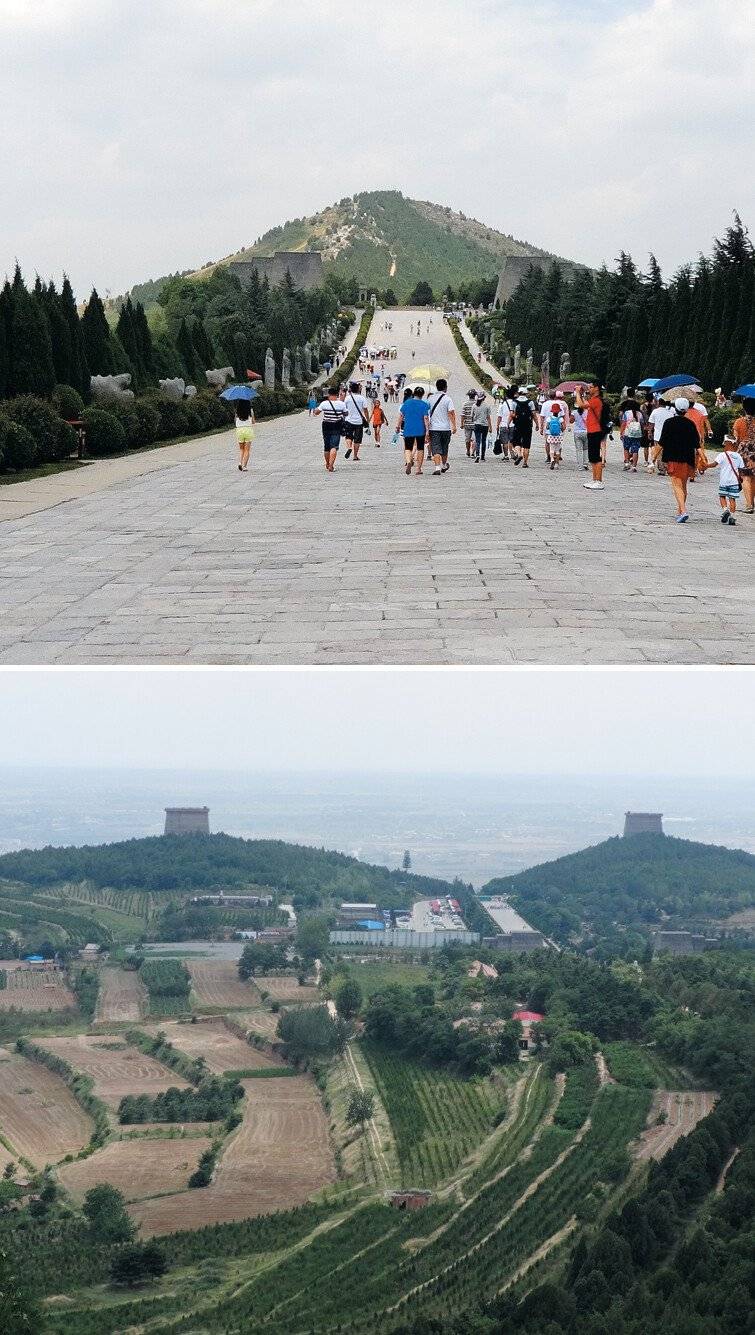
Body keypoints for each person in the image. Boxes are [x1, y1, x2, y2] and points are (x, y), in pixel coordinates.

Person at [659, 397, 699, 522]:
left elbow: (662, 442)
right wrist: (703, 459)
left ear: (675, 408)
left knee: (676, 485)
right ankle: (679, 510)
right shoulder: (691, 424)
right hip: (688, 459)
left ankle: (683, 510)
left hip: (673, 458)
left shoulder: (669, 422)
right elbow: (697, 444)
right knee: (683, 485)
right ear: (686, 410)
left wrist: (653, 457)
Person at [699, 434, 745, 524]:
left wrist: (706, 466)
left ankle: (725, 510)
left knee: (722, 496)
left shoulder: (722, 455)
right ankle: (732, 516)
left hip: (724, 481)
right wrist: (741, 478)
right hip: (734, 482)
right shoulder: (738, 456)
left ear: (727, 444)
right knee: (732, 499)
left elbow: (714, 464)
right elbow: (741, 469)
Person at [576, 381, 608, 489]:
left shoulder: (596, 401)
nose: (589, 389)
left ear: (597, 388)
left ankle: (599, 481)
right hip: (591, 430)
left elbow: (580, 405)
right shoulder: (593, 400)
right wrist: (580, 394)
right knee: (592, 457)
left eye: (591, 387)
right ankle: (594, 479)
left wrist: (576, 392)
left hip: (596, 430)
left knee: (596, 457)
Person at [427, 378, 457, 475]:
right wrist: (454, 426)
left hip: (433, 428)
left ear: (436, 387)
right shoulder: (448, 399)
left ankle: (437, 467)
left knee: (435, 447)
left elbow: (426, 415)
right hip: (445, 428)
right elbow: (451, 412)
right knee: (444, 447)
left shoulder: (430, 399)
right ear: (445, 388)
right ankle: (444, 465)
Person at [313, 387, 348, 472]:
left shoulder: (324, 403)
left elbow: (316, 412)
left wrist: (315, 409)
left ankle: (328, 463)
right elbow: (346, 414)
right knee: (334, 446)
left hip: (326, 425)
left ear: (328, 394)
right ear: (337, 394)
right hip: (337, 425)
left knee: (327, 446)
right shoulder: (341, 404)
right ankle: (331, 466)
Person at [731, 397, 755, 513]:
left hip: (743, 451)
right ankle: (752, 502)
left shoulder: (738, 422)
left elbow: (735, 440)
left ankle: (749, 505)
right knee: (753, 478)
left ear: (744, 408)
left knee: (746, 477)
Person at [399, 386, 429, 476]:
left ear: (414, 393)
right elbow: (426, 418)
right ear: (422, 395)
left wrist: (397, 426)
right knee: (420, 448)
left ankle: (408, 461)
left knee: (408, 448)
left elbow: (401, 415)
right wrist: (427, 430)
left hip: (408, 428)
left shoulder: (407, 403)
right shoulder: (424, 404)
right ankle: (418, 469)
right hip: (420, 429)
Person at [343, 380, 370, 461]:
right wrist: (368, 420)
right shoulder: (362, 398)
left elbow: (344, 409)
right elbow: (365, 410)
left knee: (348, 436)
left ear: (350, 389)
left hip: (348, 420)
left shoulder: (347, 398)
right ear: (358, 389)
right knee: (357, 440)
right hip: (359, 422)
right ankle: (355, 456)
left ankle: (349, 447)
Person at [647, 397, 674, 473]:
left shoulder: (655, 411)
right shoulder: (670, 413)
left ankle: (662, 469)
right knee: (666, 452)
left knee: (658, 452)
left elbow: (651, 424)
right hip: (668, 436)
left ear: (659, 403)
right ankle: (666, 467)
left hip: (658, 435)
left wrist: (649, 432)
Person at [511, 390, 537, 466]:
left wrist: (515, 416)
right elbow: (534, 414)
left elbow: (512, 414)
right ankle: (525, 463)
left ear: (518, 393)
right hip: (528, 425)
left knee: (516, 441)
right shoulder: (530, 402)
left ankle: (519, 454)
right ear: (526, 394)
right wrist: (537, 424)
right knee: (526, 444)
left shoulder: (514, 402)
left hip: (518, 425)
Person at [620, 395, 644, 472]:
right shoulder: (640, 414)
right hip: (637, 434)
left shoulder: (627, 413)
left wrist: (621, 432)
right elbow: (642, 424)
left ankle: (627, 464)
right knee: (635, 450)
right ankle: (634, 466)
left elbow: (623, 423)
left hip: (627, 433)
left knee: (626, 448)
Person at [234, 397, 255, 472]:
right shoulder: (250, 411)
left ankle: (240, 462)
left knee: (241, 449)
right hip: (248, 430)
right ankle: (245, 466)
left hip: (239, 430)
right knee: (247, 450)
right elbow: (253, 422)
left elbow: (235, 421)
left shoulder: (237, 412)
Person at [496, 392, 517, 460]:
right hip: (513, 424)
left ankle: (506, 456)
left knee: (505, 441)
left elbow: (499, 416)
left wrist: (497, 425)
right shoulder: (515, 403)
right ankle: (512, 453)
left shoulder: (502, 404)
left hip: (504, 424)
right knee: (511, 440)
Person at [472, 393, 492, 462]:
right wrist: (490, 427)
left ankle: (477, 454)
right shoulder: (487, 406)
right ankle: (482, 456)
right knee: (483, 440)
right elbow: (488, 417)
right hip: (485, 425)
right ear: (484, 398)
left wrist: (474, 420)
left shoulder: (474, 405)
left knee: (477, 441)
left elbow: (472, 416)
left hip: (477, 425)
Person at [572, 401, 589, 469]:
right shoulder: (587, 412)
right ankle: (585, 463)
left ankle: (580, 466)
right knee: (586, 449)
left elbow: (571, 421)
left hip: (577, 432)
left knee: (579, 450)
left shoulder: (574, 412)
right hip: (586, 432)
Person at [461, 389, 477, 457]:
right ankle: (473, 452)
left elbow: (463, 415)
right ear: (475, 396)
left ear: (468, 396)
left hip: (467, 424)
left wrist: (462, 424)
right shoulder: (477, 404)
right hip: (476, 424)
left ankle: (468, 451)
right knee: (474, 439)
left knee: (467, 439)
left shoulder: (465, 404)